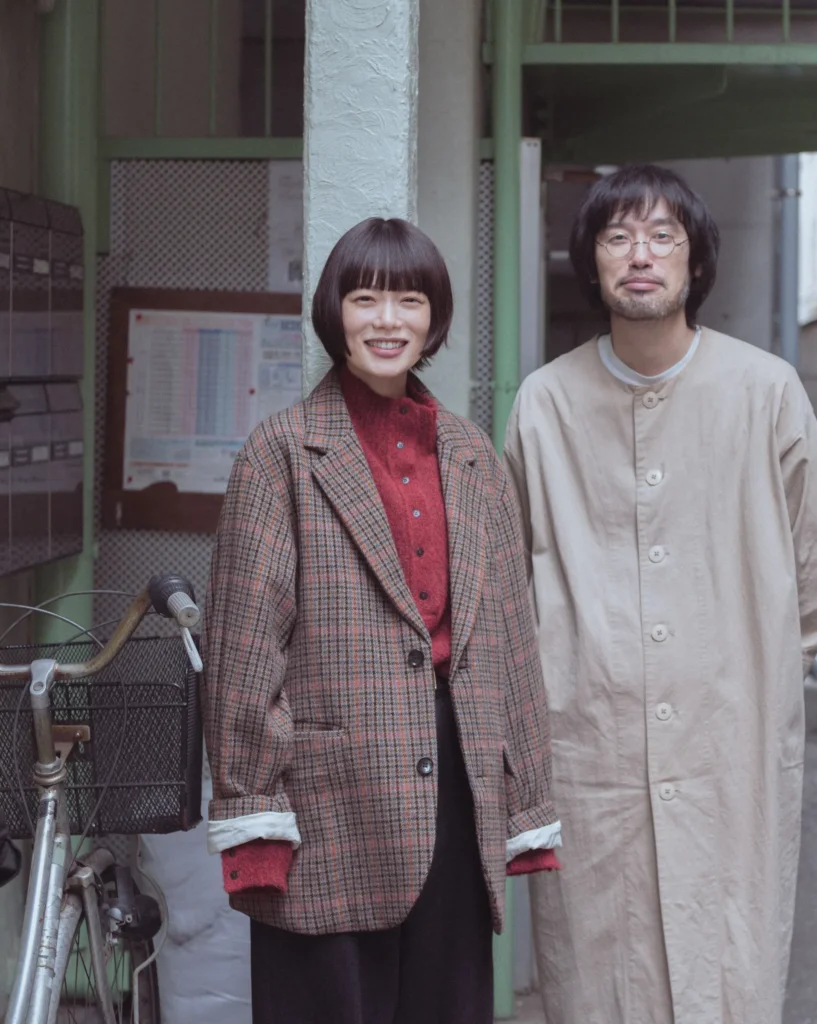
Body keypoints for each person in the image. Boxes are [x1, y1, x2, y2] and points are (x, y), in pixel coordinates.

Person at [503, 165, 817, 1023]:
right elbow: (510, 573)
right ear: (591, 262)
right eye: (617, 237)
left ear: (696, 260)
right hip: (590, 739)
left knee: (726, 964)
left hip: (729, 732)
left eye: (663, 236)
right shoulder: (545, 404)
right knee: (596, 973)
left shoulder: (765, 391)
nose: (640, 255)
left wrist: (763, 669)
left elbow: (815, 546)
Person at [203, 217, 561, 1024]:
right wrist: (251, 809)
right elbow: (244, 650)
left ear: (434, 318)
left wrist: (528, 800)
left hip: (458, 784)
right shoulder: (282, 452)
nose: (388, 320)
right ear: (335, 313)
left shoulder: (473, 455)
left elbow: (512, 638)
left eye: (409, 300)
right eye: (365, 299)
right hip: (327, 799)